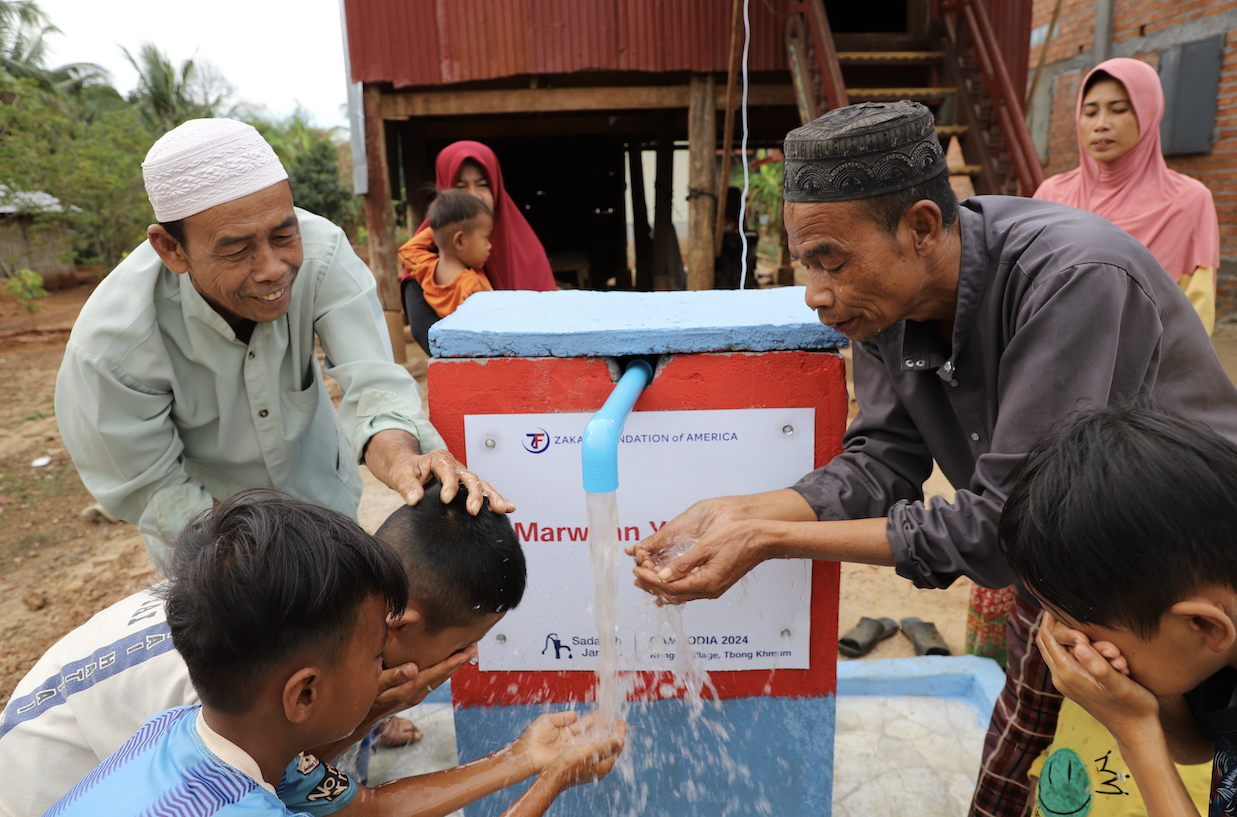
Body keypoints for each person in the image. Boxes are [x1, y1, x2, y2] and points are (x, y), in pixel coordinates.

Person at [625, 101, 1237, 817]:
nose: (815, 294)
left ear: (919, 227)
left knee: (1185, 767)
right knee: (1036, 782)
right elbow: (881, 460)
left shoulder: (1071, 279)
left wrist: (771, 537)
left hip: (1174, 582)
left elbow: (1002, 528)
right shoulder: (884, 300)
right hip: (1073, 589)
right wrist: (741, 510)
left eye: (831, 261)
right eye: (804, 264)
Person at [53, 119, 511, 572]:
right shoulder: (111, 348)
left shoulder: (323, 252)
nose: (273, 267)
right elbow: (157, 491)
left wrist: (401, 459)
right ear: (172, 249)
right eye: (236, 250)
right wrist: (266, 556)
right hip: (212, 550)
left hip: (325, 504)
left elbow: (372, 380)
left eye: (283, 234)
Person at [37, 490, 626, 817]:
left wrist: (526, 758)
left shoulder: (198, 731)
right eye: (377, 654)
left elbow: (365, 810)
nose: (389, 676)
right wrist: (548, 783)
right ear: (305, 693)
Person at [1000, 403, 1237, 817]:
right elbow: (1201, 745)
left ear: (1202, 623)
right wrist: (1146, 703)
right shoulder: (1203, 643)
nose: (1081, 653)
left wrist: (1135, 734)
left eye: (1089, 637)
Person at [1034, 58, 1220, 335]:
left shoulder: (1189, 201)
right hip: (1057, 361)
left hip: (1147, 368)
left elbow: (1196, 319)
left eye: (1118, 109)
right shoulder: (1052, 194)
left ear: (1149, 112)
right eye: (1090, 112)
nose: (1101, 124)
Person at [399, 141, 555, 354]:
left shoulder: (528, 251)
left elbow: (549, 321)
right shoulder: (429, 257)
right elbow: (423, 330)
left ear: (496, 188)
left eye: (483, 185)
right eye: (460, 187)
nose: (473, 195)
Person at [401, 189, 494, 319]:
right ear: (459, 241)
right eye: (486, 237)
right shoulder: (473, 285)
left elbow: (407, 249)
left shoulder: (426, 269)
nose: (489, 245)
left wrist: (442, 231)